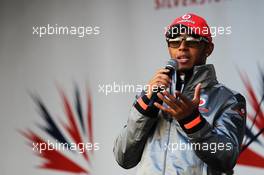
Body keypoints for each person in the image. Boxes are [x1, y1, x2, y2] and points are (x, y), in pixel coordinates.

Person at [113, 13, 246, 175]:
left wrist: (192, 121)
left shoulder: (229, 100)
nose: (182, 46)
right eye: (175, 42)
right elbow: (124, 158)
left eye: (191, 41)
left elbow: (226, 159)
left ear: (208, 49)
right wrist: (144, 108)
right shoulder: (150, 94)